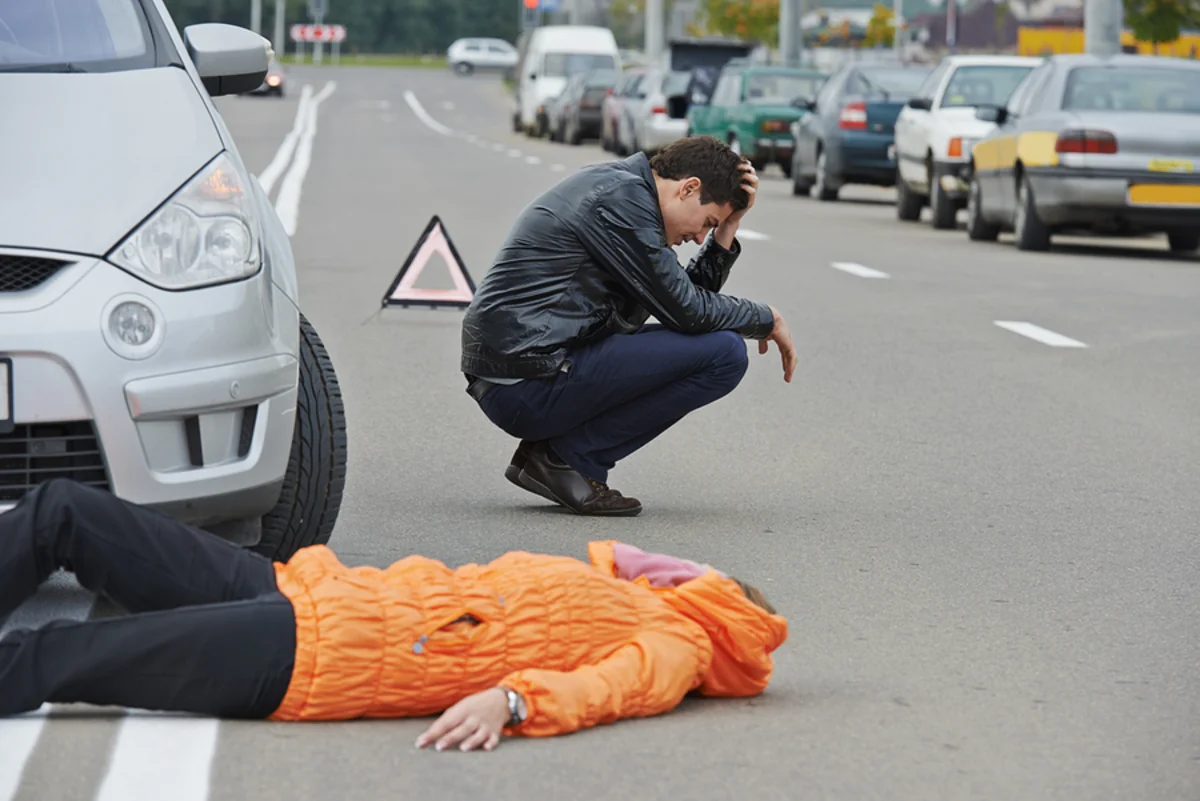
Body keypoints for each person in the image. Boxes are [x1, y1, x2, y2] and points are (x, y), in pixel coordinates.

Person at [0, 480, 788, 751]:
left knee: (55, 653)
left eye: (715, 576)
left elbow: (611, 689)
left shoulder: (678, 642)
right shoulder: (642, 593)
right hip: (306, 589)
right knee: (63, 511)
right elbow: (613, 552)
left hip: (314, 654)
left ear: (726, 601)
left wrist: (512, 701)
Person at [460, 136, 798, 517]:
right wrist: (767, 317)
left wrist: (728, 228)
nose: (699, 237)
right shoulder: (621, 203)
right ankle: (566, 459)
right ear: (689, 188)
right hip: (525, 382)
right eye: (707, 222)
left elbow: (684, 309)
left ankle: (559, 459)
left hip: (529, 372)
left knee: (718, 347)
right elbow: (689, 311)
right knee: (725, 354)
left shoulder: (629, 194)